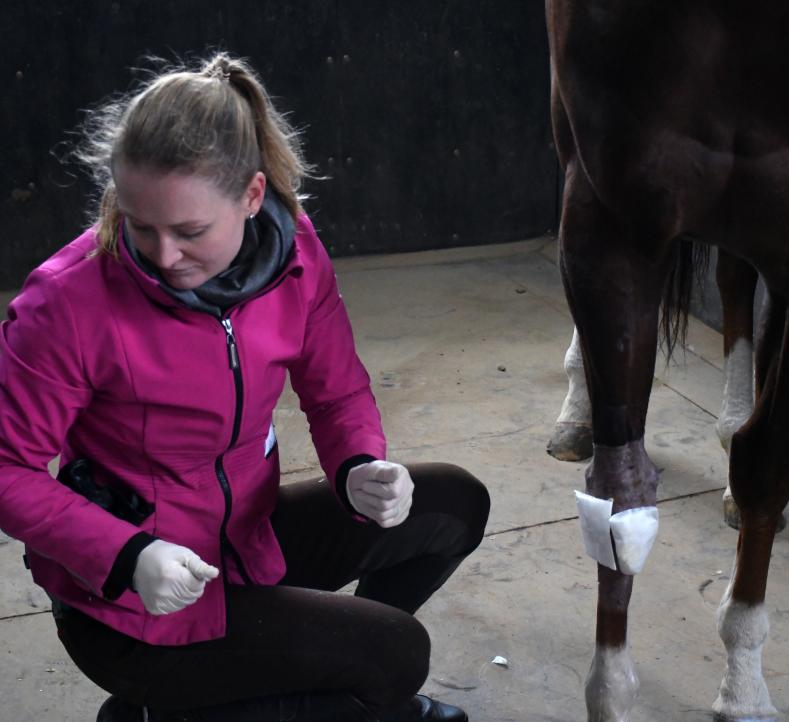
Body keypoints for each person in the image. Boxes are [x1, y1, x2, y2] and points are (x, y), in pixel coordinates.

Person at [0, 53, 490, 722]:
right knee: (398, 656)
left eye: (190, 231)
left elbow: (337, 392)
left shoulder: (295, 256)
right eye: (139, 226)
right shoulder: (67, 301)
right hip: (131, 600)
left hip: (243, 539)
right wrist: (127, 554)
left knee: (455, 503)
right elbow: (7, 468)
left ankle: (287, 685)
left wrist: (358, 465)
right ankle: (180, 701)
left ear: (253, 197)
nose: (164, 256)